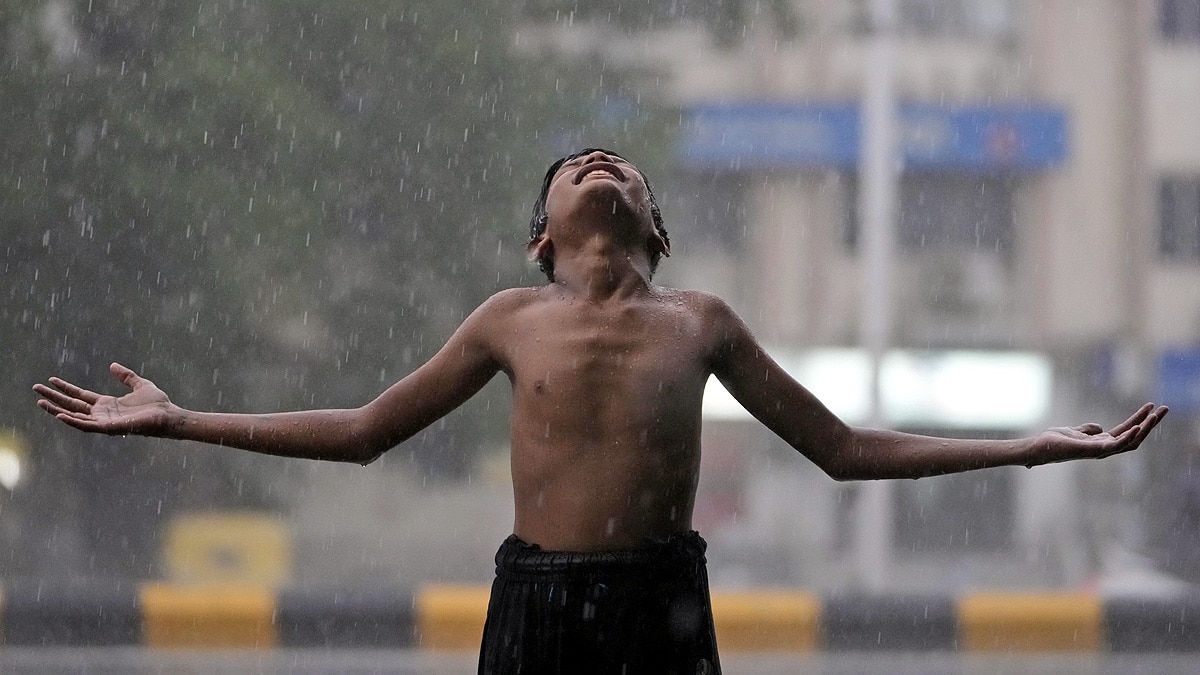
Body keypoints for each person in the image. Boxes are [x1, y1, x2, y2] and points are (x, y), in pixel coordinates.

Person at [34, 148, 1167, 674]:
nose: (601, 166)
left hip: (661, 603)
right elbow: (364, 429)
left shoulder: (702, 322)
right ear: (544, 235)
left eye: (618, 164)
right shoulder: (508, 320)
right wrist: (180, 420)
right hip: (538, 600)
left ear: (657, 232)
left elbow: (845, 449)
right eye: (578, 166)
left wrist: (1026, 447)